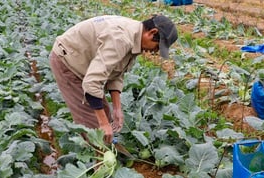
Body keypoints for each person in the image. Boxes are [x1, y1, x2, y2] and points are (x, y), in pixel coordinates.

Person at [49, 15, 178, 144]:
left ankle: (106, 148)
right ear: (152, 33)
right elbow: (92, 83)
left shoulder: (135, 36)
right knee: (94, 125)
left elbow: (116, 71)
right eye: (156, 47)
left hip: (84, 62)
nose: (153, 52)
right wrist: (103, 124)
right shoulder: (121, 40)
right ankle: (98, 158)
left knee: (105, 114)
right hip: (68, 61)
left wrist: (117, 108)